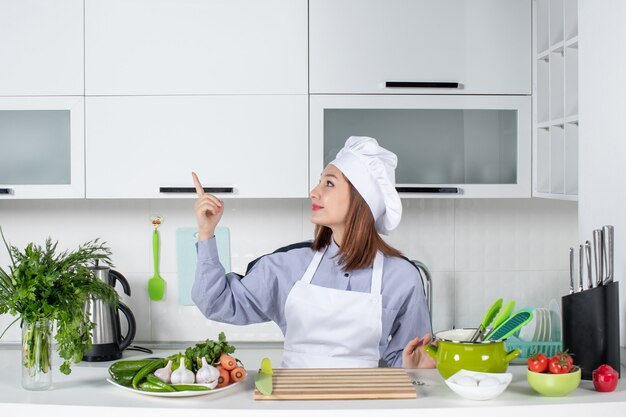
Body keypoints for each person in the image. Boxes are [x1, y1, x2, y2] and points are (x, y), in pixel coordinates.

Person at [191, 136, 435, 369]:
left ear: (362, 198)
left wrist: (417, 366)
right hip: (294, 403)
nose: (314, 191)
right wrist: (206, 234)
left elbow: (405, 357)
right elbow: (216, 303)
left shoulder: (403, 278)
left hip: (364, 404)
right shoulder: (287, 265)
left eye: (328, 183)